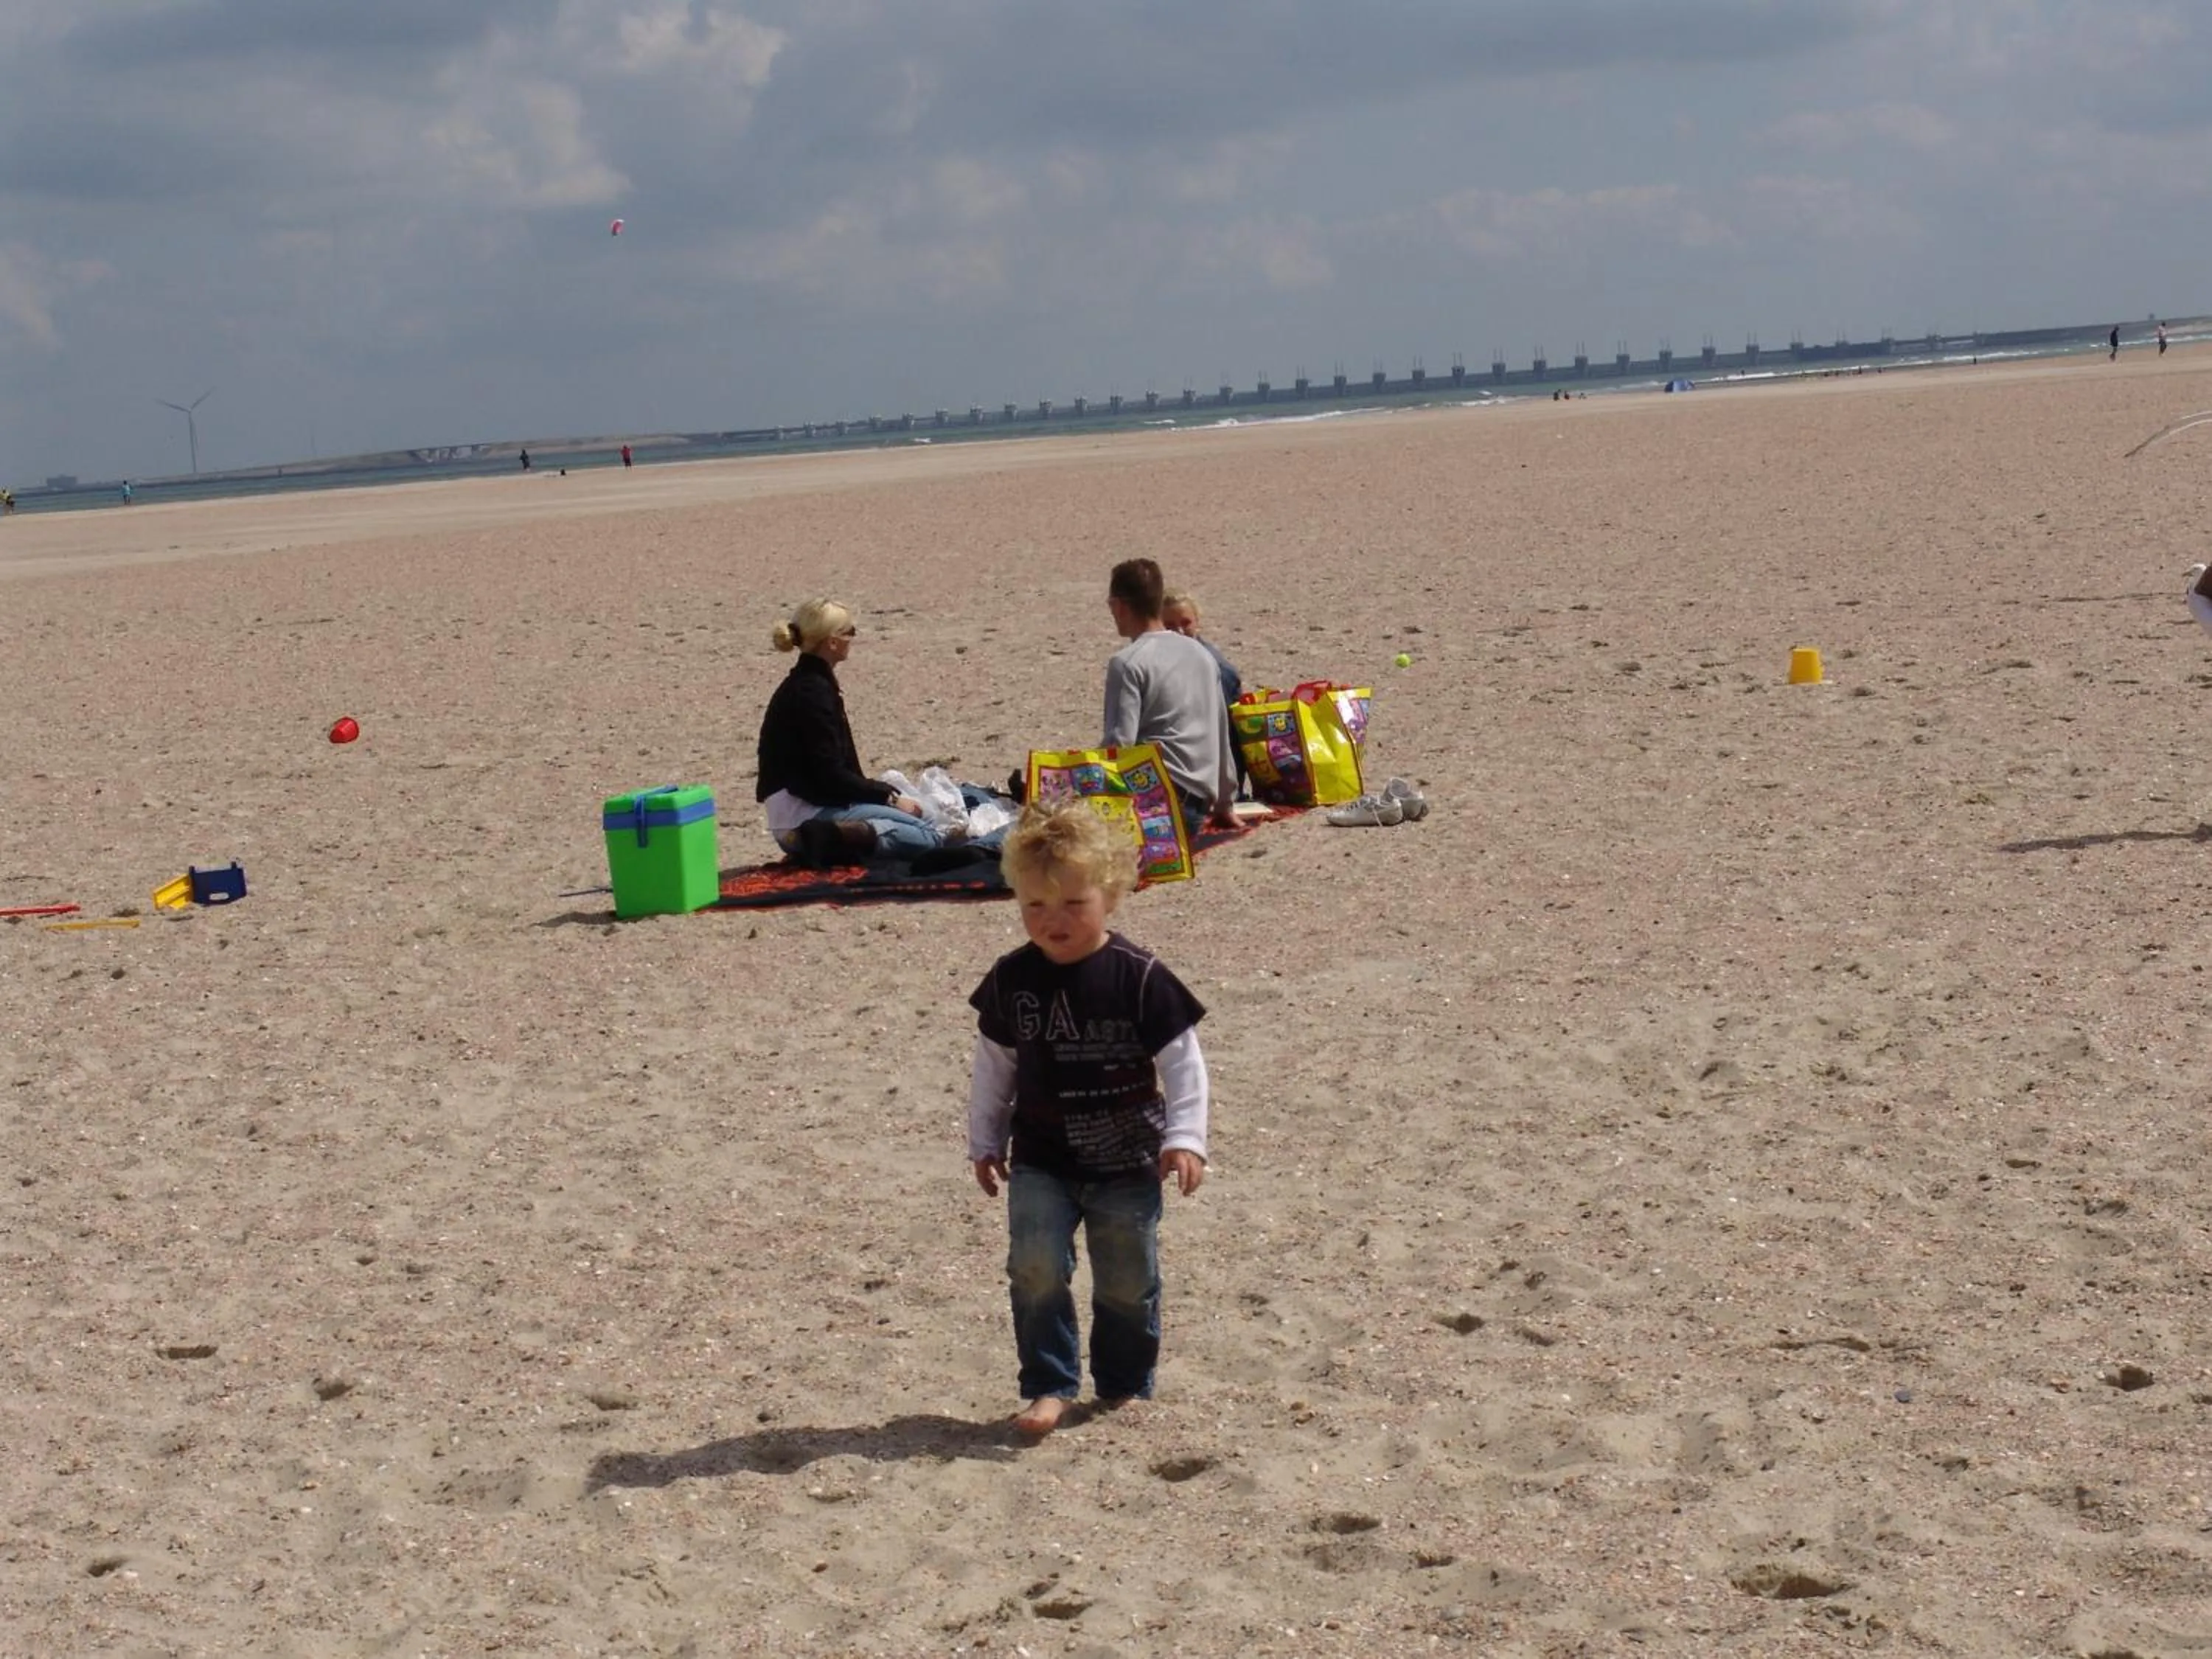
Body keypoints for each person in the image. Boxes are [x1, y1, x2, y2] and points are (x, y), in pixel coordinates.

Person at [967, 801, 1210, 1437]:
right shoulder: (1011, 979)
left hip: (1128, 1160)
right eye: (1035, 907)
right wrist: (985, 1139)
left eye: (1073, 905)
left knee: (1127, 1281)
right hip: (1042, 1157)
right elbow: (994, 1066)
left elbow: (1184, 1065)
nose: (1054, 922)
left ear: (1112, 896)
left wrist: (1186, 1139)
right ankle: (1049, 1384)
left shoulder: (1140, 977)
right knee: (1036, 1267)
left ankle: (1124, 1382)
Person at [754, 598, 939, 866]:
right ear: (832, 642)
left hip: (799, 807)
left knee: (915, 813)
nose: (852, 638)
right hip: (804, 812)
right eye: (849, 632)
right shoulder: (812, 693)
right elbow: (829, 774)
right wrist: (887, 797)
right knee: (928, 831)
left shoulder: (806, 684)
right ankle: (838, 837)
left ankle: (836, 837)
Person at [1102, 559, 1237, 830]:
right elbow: (1220, 733)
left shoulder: (1128, 662)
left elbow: (1118, 748)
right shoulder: (1202, 654)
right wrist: (1225, 803)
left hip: (1160, 806)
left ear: (1118, 606)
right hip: (1198, 807)